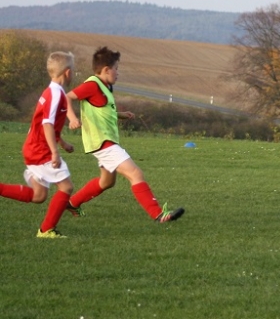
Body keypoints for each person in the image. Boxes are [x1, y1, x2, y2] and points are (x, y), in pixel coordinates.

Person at [65, 47, 185, 222]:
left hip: (104, 142)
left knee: (107, 182)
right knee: (135, 173)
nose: (118, 73)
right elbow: (67, 97)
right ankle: (158, 214)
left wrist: (121, 115)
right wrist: (72, 118)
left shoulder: (105, 87)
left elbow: (102, 111)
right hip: (103, 142)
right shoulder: (92, 85)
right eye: (116, 68)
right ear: (106, 69)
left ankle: (72, 203)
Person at [0, 52, 79, 238]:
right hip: (40, 150)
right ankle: (46, 230)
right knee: (66, 187)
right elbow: (47, 124)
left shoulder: (51, 91)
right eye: (74, 71)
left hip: (33, 147)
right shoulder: (55, 94)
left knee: (39, 195)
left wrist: (62, 143)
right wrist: (54, 152)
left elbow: (48, 124)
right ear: (67, 73)